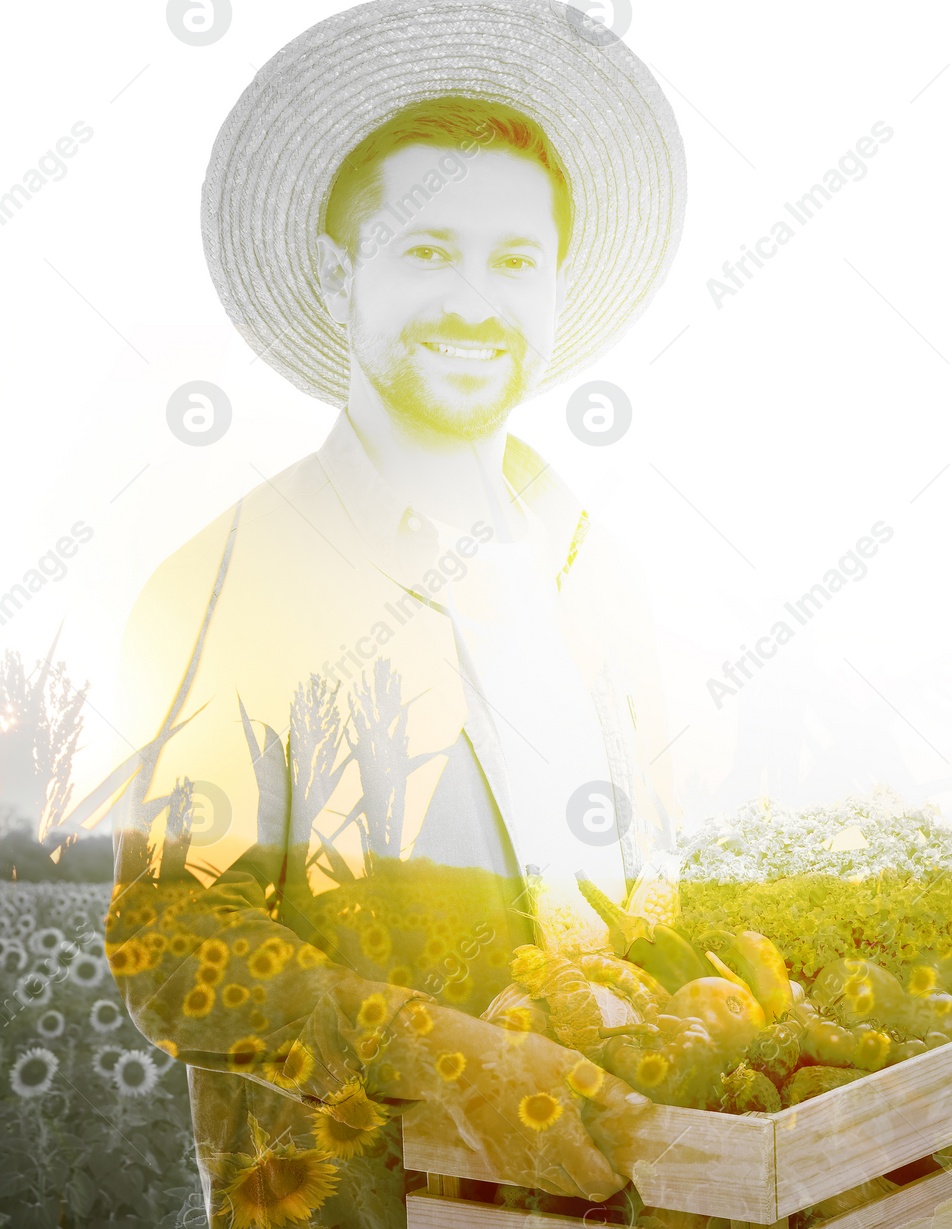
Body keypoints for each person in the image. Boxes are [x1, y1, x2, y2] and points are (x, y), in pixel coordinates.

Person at [101, 4, 688, 1225]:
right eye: (427, 251)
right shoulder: (230, 580)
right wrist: (449, 1055)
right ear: (338, 272)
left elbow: (642, 883)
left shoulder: (590, 563)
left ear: (555, 285)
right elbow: (166, 940)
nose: (475, 302)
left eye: (513, 260)